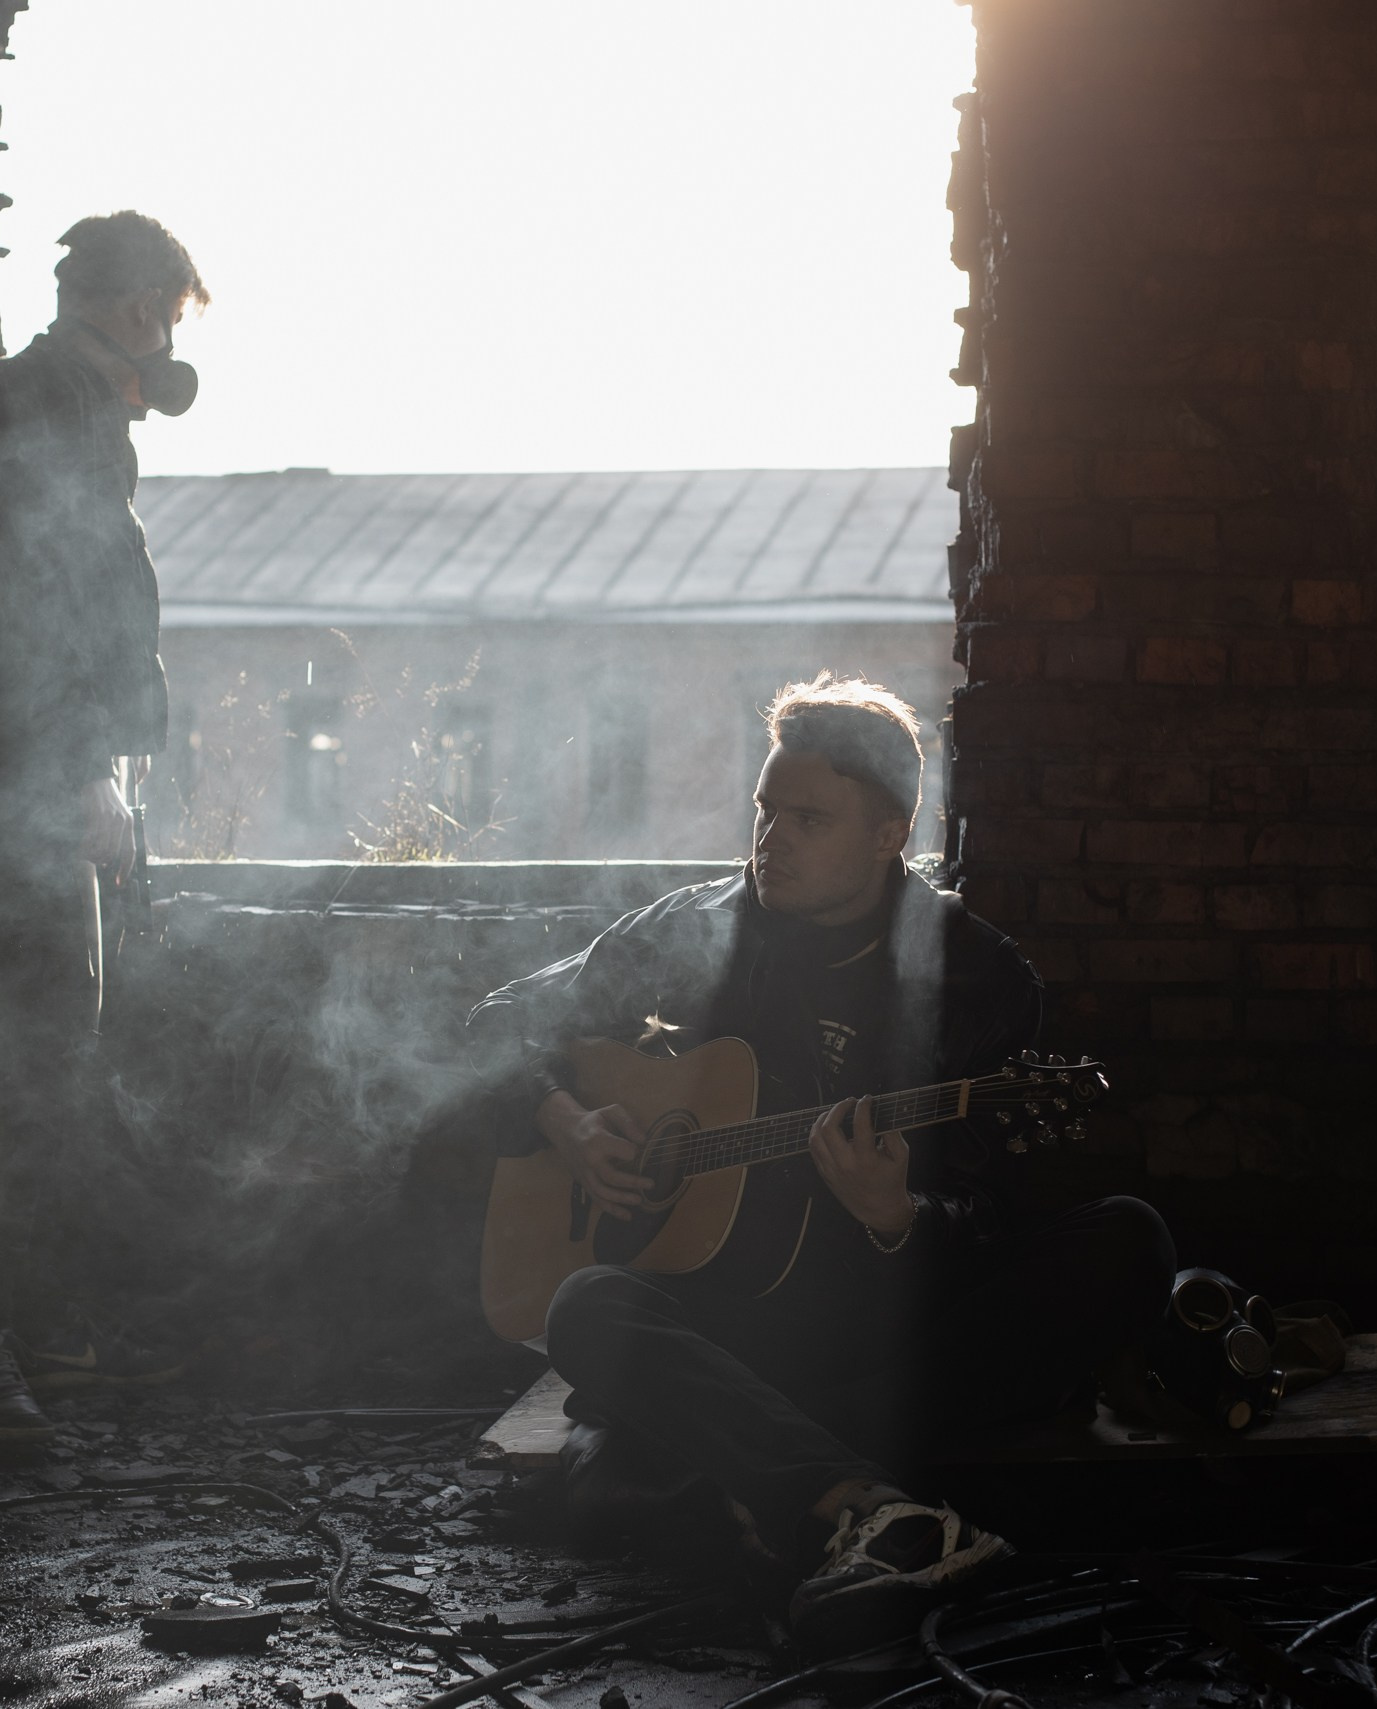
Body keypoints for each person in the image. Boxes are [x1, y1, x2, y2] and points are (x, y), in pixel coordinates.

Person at [466, 675, 1175, 1647]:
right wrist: (568, 1122)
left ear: (890, 833)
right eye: (765, 809)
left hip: (891, 1334)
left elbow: (996, 1212)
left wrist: (897, 1214)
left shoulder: (976, 975)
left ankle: (783, 1478)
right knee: (586, 1303)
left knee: (1126, 1240)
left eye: (808, 817)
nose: (771, 837)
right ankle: (871, 1504)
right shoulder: (685, 929)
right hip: (736, 1325)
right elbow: (496, 1025)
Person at [0, 211, 206, 1444]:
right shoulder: (20, 407)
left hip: (50, 779)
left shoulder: (76, 414)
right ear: (139, 310)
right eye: (170, 318)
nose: (169, 350)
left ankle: (49, 1331)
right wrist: (79, 773)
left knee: (58, 1072)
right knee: (21, 1075)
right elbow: (10, 616)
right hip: (19, 784)